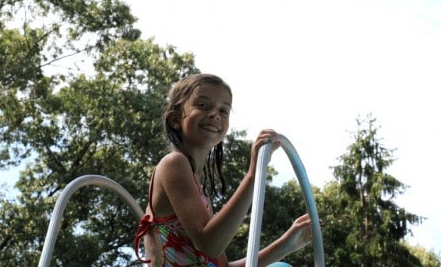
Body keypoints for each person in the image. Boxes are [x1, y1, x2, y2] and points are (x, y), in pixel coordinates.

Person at [134, 73, 315, 267]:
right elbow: (208, 244)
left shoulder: (199, 193)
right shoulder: (174, 164)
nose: (214, 114)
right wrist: (254, 174)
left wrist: (287, 244)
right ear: (175, 119)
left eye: (224, 110)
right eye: (202, 105)